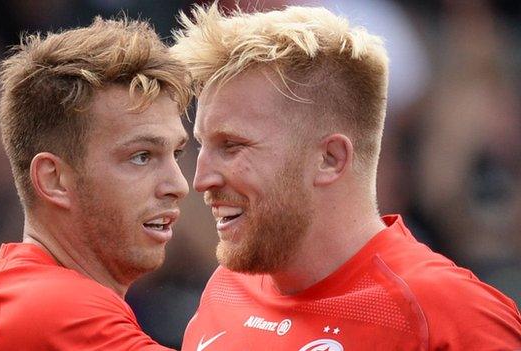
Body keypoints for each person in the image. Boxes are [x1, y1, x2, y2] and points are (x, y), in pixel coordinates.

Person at [171, 4, 521, 350]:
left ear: (330, 159)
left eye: (232, 146)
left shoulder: (450, 317)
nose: (200, 179)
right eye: (203, 145)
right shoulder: (226, 289)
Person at [0, 17, 191, 351]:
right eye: (141, 156)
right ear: (53, 179)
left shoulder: (13, 298)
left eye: (176, 152)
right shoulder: (55, 310)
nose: (178, 185)